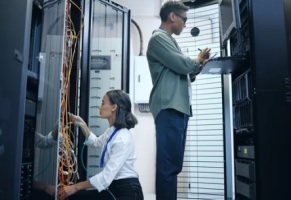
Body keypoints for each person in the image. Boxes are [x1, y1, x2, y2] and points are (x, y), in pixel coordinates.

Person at [146, 1, 211, 199]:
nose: (185, 23)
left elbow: (185, 72)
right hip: (170, 107)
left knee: (173, 166)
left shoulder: (169, 41)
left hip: (177, 108)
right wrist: (197, 61)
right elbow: (182, 64)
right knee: (168, 168)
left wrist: (197, 66)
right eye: (184, 19)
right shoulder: (158, 38)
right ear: (172, 16)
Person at [62, 89, 144, 200]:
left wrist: (75, 187)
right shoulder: (113, 131)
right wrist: (82, 124)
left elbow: (105, 177)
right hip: (115, 187)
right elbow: (95, 142)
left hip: (127, 192)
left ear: (114, 107)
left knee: (76, 194)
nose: (99, 107)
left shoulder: (122, 138)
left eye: (103, 103)